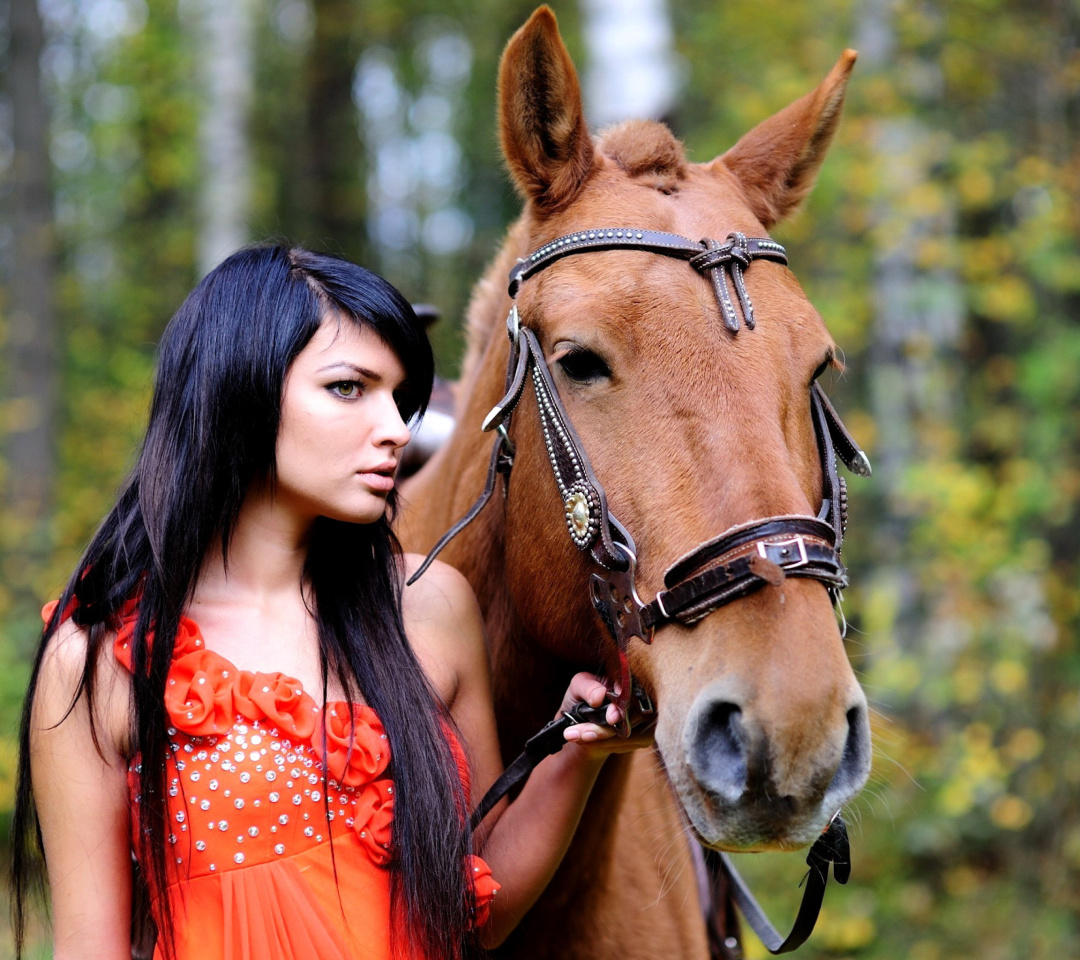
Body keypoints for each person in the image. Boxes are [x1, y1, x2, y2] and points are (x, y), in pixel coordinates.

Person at [11, 245, 646, 960]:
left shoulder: (428, 606)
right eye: (349, 388)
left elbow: (473, 913)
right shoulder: (103, 660)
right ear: (236, 385)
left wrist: (575, 757)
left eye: (399, 398)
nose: (396, 430)